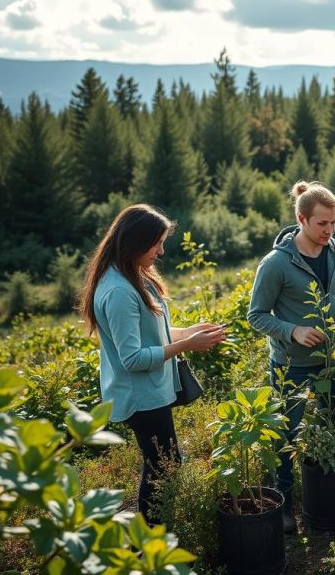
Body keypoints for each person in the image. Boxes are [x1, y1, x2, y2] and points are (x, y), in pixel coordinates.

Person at [80, 204, 228, 523]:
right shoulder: (119, 291)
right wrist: (187, 345)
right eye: (156, 243)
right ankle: (151, 540)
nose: (160, 252)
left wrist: (189, 331)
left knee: (161, 463)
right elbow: (132, 358)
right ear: (134, 241)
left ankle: (154, 534)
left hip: (150, 393)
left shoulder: (131, 275)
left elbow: (150, 333)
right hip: (140, 397)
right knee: (164, 466)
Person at [247, 181, 335, 534]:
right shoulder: (276, 264)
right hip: (290, 365)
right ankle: (283, 505)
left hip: (330, 362)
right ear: (301, 219)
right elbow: (256, 315)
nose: (329, 230)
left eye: (334, 223)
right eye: (322, 224)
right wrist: (292, 330)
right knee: (284, 435)